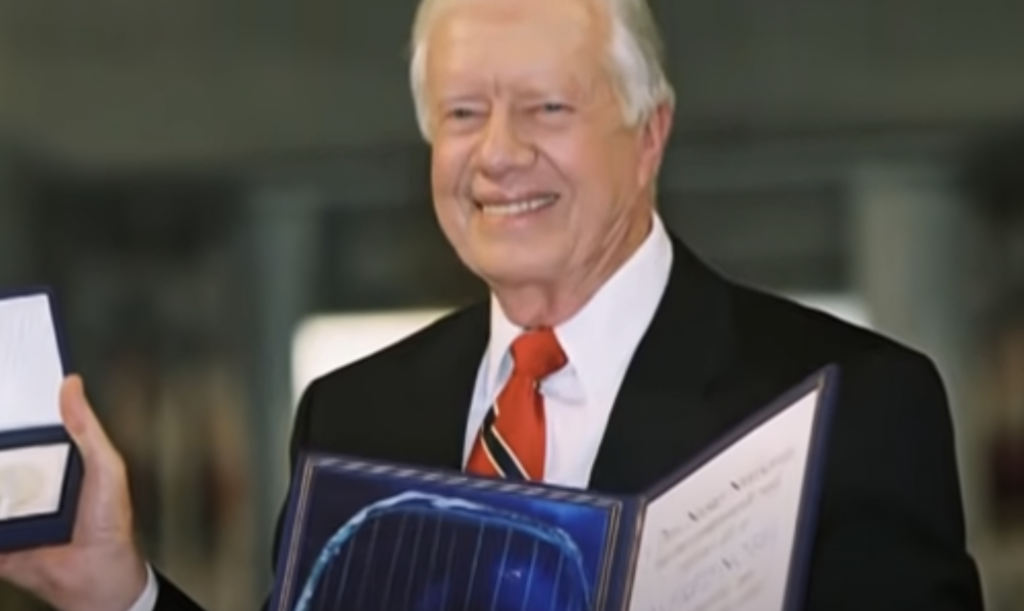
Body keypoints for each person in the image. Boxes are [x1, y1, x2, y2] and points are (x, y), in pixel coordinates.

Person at [0, 0, 986, 609]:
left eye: (547, 107)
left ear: (649, 136)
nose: (499, 153)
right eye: (463, 113)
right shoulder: (352, 415)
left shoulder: (848, 402)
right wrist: (116, 593)